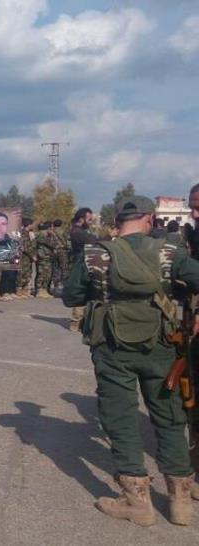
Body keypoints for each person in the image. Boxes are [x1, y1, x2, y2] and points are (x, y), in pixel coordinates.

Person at [63, 195, 199, 527]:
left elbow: (71, 295)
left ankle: (137, 502)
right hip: (162, 345)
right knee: (169, 417)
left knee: (121, 418)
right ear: (150, 219)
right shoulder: (171, 251)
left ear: (117, 221)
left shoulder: (94, 253)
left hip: (111, 347)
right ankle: (180, 503)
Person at [68, 208, 98, 331]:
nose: (90, 222)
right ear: (81, 219)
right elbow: (94, 242)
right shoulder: (77, 232)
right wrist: (109, 236)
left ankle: (82, 321)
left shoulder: (82, 231)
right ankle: (76, 322)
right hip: (80, 266)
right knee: (81, 292)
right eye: (89, 219)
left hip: (85, 264)